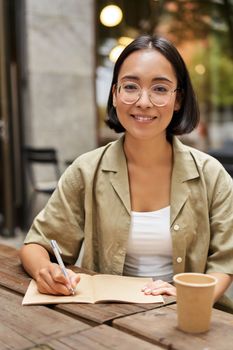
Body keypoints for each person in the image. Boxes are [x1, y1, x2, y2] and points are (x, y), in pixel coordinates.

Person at [20, 35, 233, 308]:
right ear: (115, 94)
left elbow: (226, 260)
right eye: (130, 86)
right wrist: (44, 271)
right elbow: (36, 245)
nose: (143, 101)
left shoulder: (211, 175)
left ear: (178, 99)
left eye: (159, 89)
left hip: (190, 319)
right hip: (107, 322)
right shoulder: (86, 170)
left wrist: (189, 298)